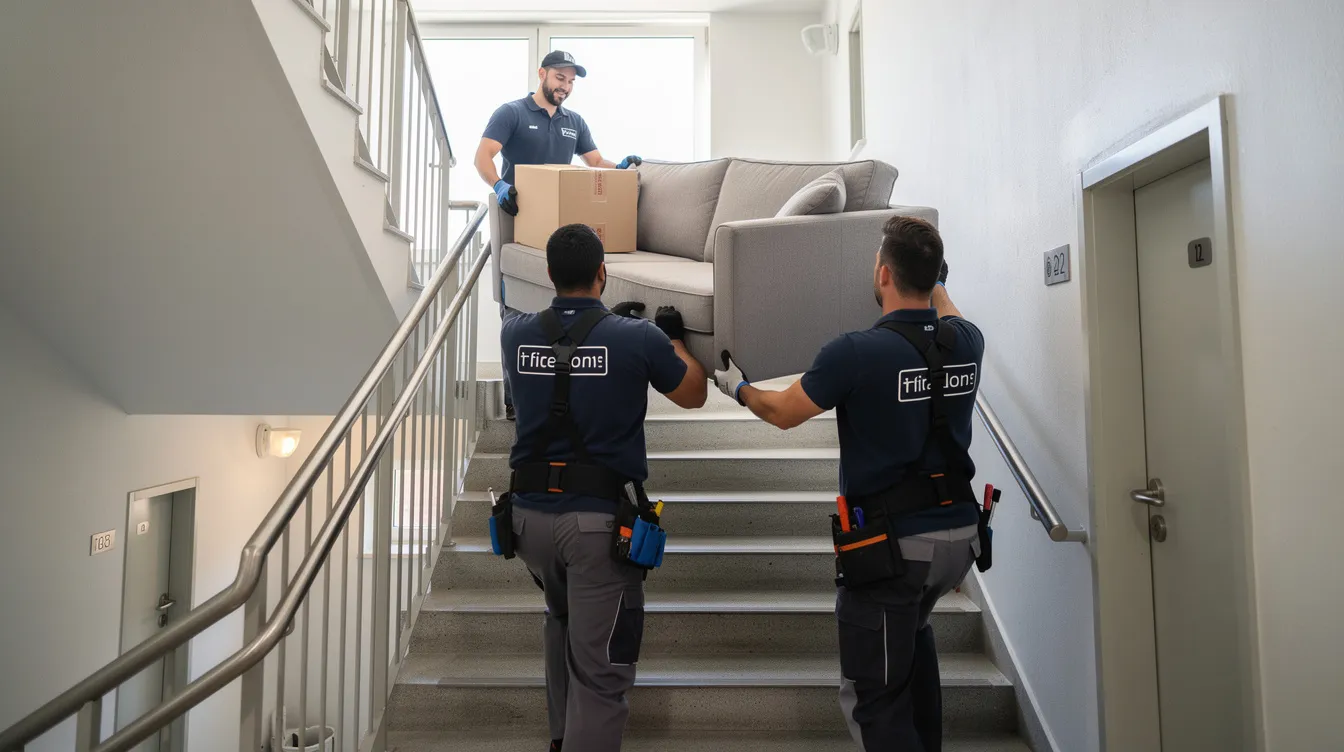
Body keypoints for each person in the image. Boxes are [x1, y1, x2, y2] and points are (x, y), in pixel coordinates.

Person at [714, 216, 985, 751]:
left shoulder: (856, 352)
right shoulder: (967, 340)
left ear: (883, 274)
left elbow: (783, 413)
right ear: (933, 277)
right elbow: (947, 311)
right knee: (914, 636)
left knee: (874, 701)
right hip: (960, 536)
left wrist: (737, 387)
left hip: (893, 550)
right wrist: (937, 282)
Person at [500, 223, 707, 752]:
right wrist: (674, 341)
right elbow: (692, 394)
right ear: (602, 274)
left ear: (549, 274)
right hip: (594, 529)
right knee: (602, 669)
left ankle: (560, 740)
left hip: (528, 521)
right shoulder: (636, 337)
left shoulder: (514, 333)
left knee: (561, 623)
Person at [475, 49, 643, 420]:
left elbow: (595, 162)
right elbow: (483, 156)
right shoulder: (512, 113)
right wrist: (500, 185)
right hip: (517, 218)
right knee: (515, 306)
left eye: (570, 81)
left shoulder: (574, 121)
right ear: (542, 74)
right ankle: (515, 400)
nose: (565, 87)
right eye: (559, 79)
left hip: (558, 224)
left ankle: (562, 393)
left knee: (558, 305)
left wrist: (623, 170)